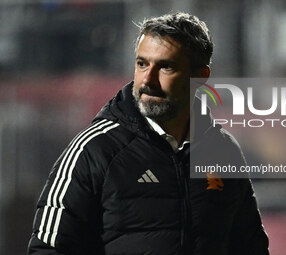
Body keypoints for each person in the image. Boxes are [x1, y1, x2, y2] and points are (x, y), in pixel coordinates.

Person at [27, 12, 269, 255]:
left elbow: (252, 247)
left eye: (166, 67)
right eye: (142, 64)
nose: (148, 80)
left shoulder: (223, 150)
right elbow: (47, 250)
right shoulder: (94, 150)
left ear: (199, 77)